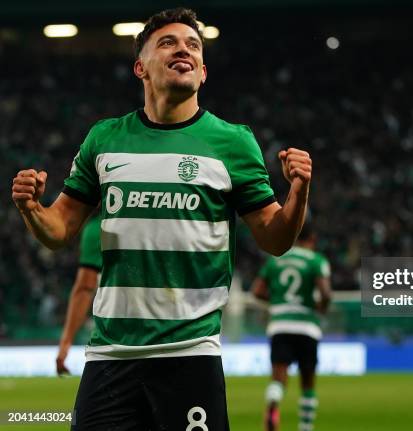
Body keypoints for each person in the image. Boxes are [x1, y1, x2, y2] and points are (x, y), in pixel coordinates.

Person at [11, 7, 312, 430]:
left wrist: (298, 194)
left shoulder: (233, 142)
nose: (183, 50)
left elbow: (275, 239)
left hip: (191, 356)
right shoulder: (105, 139)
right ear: (141, 67)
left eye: (193, 45)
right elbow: (59, 229)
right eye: (168, 43)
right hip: (111, 358)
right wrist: (31, 209)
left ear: (203, 72)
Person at [252, 224, 332, 431]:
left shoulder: (276, 259)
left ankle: (273, 406)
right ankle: (305, 427)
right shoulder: (316, 260)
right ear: (312, 239)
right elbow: (326, 294)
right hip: (307, 326)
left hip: (280, 324)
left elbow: (257, 291)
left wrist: (278, 301)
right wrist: (320, 308)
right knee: (307, 381)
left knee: (278, 375)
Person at [56, 211, 102, 375]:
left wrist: (66, 342)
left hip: (119, 341)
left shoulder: (99, 228)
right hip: (176, 334)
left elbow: (84, 287)